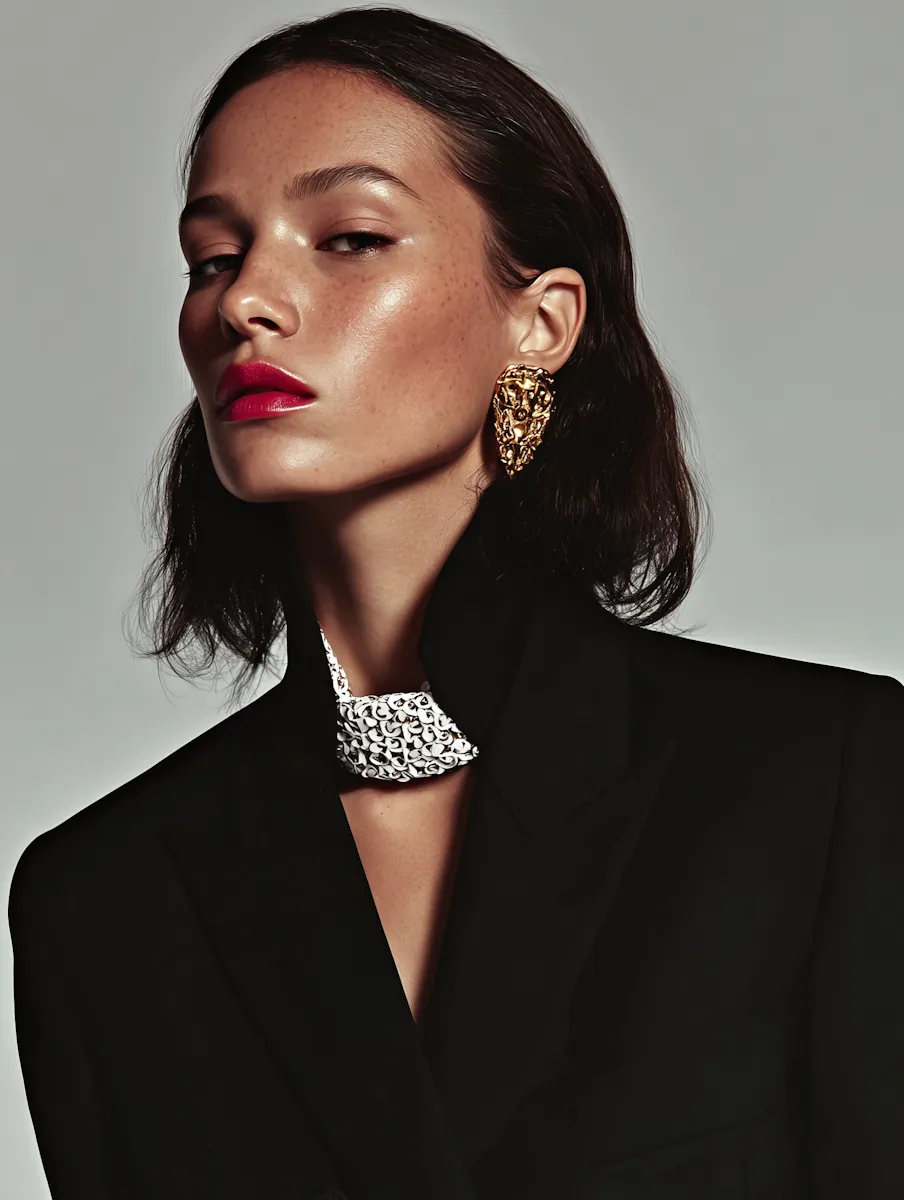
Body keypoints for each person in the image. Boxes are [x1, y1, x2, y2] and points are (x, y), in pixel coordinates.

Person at [8, 7, 904, 1199]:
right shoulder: (102, 904)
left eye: (350, 237)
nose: (243, 303)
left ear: (538, 324)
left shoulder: (823, 786)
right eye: (214, 256)